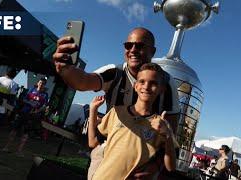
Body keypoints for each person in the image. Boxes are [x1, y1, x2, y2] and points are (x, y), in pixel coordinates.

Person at [54, 27, 180, 177]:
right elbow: (83, 81)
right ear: (135, 86)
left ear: (152, 52)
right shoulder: (115, 72)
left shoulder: (166, 81)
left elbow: (170, 134)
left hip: (142, 162)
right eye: (128, 45)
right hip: (108, 151)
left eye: (139, 46)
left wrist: (155, 166)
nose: (132, 50)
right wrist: (66, 69)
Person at [88, 63, 176, 179]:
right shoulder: (117, 112)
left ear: (161, 89)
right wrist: (92, 110)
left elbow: (171, 167)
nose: (146, 86)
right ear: (135, 86)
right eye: (142, 81)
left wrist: (168, 136)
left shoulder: (161, 125)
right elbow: (93, 142)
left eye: (153, 83)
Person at [2, 78, 48, 156]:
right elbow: (23, 99)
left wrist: (38, 110)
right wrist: (30, 102)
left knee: (26, 133)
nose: (41, 84)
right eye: (40, 82)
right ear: (37, 83)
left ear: (44, 85)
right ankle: (6, 147)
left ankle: (19, 151)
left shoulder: (45, 94)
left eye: (43, 83)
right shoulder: (31, 89)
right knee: (14, 129)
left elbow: (44, 106)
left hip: (32, 116)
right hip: (23, 112)